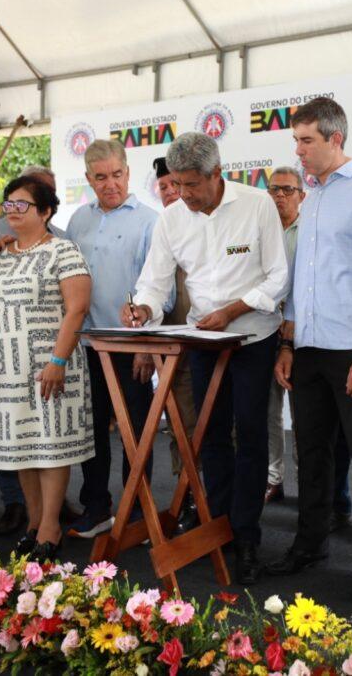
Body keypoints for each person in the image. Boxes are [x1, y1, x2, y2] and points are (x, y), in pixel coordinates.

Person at [124, 132, 288, 585]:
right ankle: (219, 529)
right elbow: (154, 283)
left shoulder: (257, 205)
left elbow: (278, 276)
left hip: (252, 338)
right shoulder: (172, 219)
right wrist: (143, 307)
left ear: (217, 175)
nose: (185, 194)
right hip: (202, 341)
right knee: (208, 436)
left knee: (251, 437)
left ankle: (248, 535)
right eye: (177, 184)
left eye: (193, 184)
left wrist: (234, 310)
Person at [267, 97, 352, 602]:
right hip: (307, 351)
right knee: (313, 458)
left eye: (306, 140)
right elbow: (299, 280)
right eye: (296, 141)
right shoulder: (314, 196)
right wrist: (287, 343)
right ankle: (309, 546)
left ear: (335, 139)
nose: (298, 151)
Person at [63, 139, 167, 539]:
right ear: (89, 179)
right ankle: (97, 508)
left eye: (118, 174)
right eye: (101, 177)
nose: (111, 184)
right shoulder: (78, 221)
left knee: (135, 433)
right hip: (88, 345)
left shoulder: (150, 220)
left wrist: (145, 344)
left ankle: (138, 509)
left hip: (131, 346)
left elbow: (159, 288)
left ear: (128, 170)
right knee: (91, 432)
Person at [0, 175, 93, 560]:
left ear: (46, 211)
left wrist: (58, 361)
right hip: (9, 370)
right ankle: (34, 522)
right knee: (21, 450)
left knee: (50, 447)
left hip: (52, 365)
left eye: (22, 205)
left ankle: (51, 526)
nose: (12, 211)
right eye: (8, 204)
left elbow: (77, 308)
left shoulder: (64, 251)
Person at [153, 156, 200, 534]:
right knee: (179, 424)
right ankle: (186, 496)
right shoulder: (161, 229)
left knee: (218, 426)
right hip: (174, 347)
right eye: (166, 187)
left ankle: (215, 499)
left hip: (216, 345)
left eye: (179, 185)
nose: (174, 193)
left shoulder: (211, 222)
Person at [264, 166, 305, 504]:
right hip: (265, 332)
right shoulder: (260, 232)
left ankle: (307, 482)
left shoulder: (310, 232)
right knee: (267, 411)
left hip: (301, 335)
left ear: (301, 195)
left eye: (287, 190)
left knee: (304, 414)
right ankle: (272, 477)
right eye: (274, 189)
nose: (279, 195)